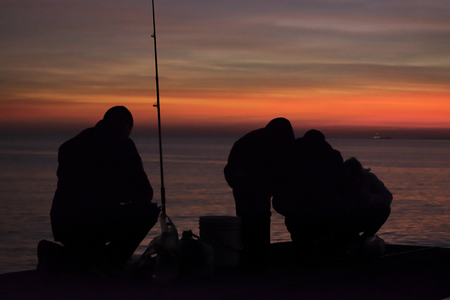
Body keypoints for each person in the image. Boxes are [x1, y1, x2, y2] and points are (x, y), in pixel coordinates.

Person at [39, 106, 160, 276]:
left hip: (63, 224)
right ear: (126, 126)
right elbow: (144, 194)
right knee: (149, 211)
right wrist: (125, 197)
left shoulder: (70, 145)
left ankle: (62, 254)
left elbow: (81, 186)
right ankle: (113, 262)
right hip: (94, 222)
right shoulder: (123, 144)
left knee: (88, 255)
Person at [224, 118, 295, 267]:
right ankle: (257, 257)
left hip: (245, 186)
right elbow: (278, 168)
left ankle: (251, 256)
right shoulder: (270, 143)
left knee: (249, 220)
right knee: (257, 218)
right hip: (249, 187)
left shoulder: (255, 139)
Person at [272, 129, 354, 255]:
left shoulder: (293, 155)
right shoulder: (328, 157)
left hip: (305, 207)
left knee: (305, 228)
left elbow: (344, 184)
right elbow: (344, 184)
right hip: (303, 207)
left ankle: (310, 242)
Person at [343, 157, 392, 252]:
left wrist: (368, 198)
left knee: (384, 209)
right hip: (345, 220)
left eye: (355, 176)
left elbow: (387, 196)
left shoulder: (369, 178)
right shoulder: (341, 182)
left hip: (363, 216)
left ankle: (363, 239)